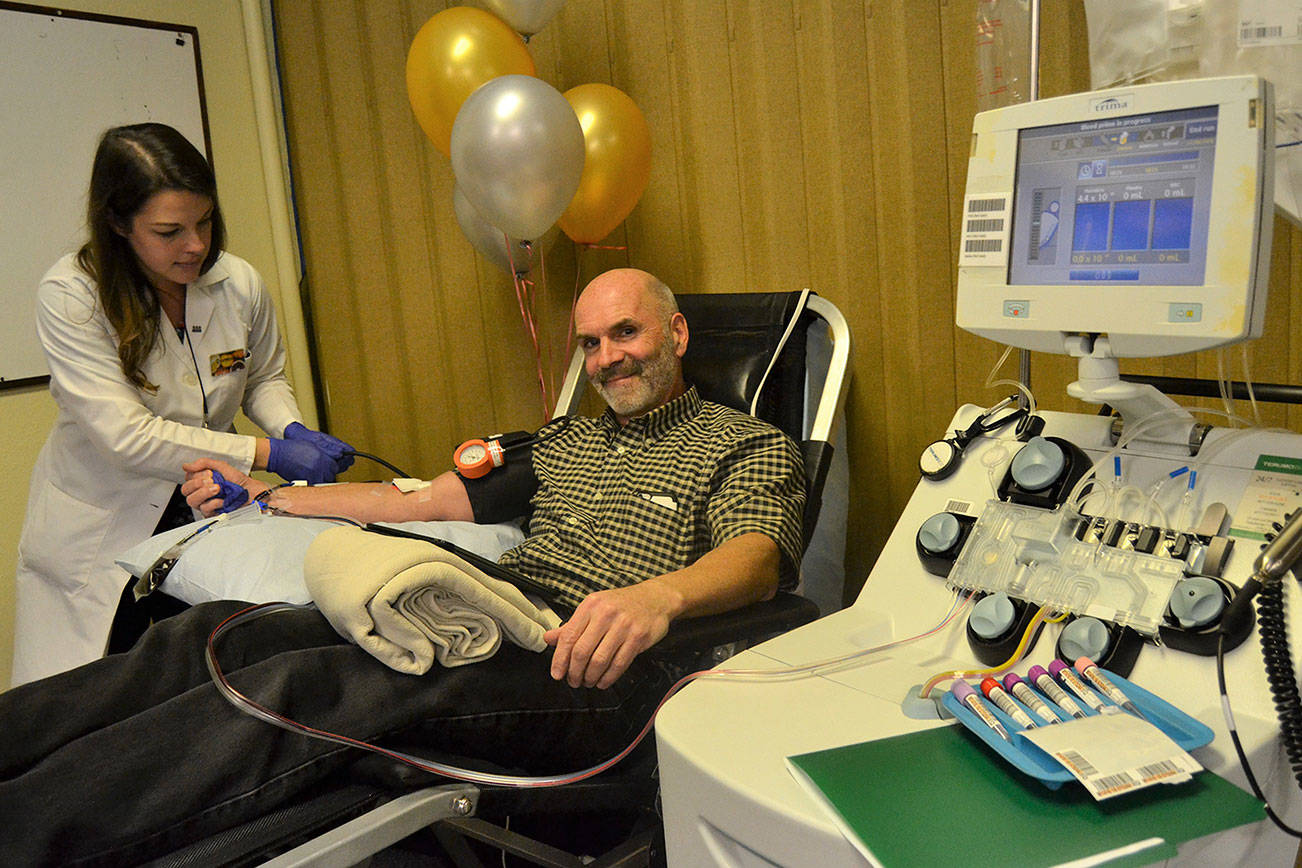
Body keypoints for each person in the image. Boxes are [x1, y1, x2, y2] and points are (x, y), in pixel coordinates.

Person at [0, 268, 805, 865]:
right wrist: (270, 494)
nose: (607, 360)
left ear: (676, 335)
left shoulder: (745, 445)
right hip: (491, 612)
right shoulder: (562, 443)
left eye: (625, 334)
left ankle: (29, 837)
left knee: (303, 689)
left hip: (600, 665)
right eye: (591, 344)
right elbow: (414, 502)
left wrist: (655, 599)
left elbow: (759, 558)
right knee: (223, 633)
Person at [12, 123, 353, 687]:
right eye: (170, 231)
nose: (195, 245)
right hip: (102, 529)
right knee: (96, 699)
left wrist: (292, 427)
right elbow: (127, 436)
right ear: (118, 224)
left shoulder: (236, 282)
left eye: (205, 222)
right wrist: (268, 452)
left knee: (204, 682)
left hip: (207, 506)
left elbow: (261, 374)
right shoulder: (72, 295)